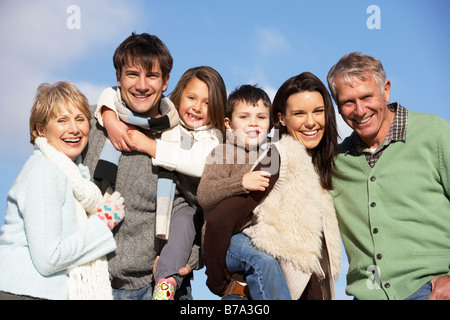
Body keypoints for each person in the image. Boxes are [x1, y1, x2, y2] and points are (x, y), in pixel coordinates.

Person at [199, 76, 342, 300]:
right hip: (249, 287)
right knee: (261, 260)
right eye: (299, 113)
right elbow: (218, 220)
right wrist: (217, 282)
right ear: (282, 119)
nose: (311, 121)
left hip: (277, 282)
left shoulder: (314, 168)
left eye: (318, 111)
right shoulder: (273, 157)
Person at [82, 33, 202, 300]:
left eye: (152, 76)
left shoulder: (183, 140)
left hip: (156, 286)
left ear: (166, 81)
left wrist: (187, 260)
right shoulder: (90, 123)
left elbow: (198, 210)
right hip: (92, 280)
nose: (142, 85)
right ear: (118, 77)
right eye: (132, 74)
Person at [95, 66, 227, 299]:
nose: (197, 107)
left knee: (184, 219)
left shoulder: (211, 137)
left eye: (207, 103)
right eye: (192, 97)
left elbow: (197, 164)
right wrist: (109, 117)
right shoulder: (164, 118)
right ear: (179, 94)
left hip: (190, 216)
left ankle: (166, 282)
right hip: (117, 268)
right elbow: (110, 93)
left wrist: (149, 146)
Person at [328, 52, 450, 300]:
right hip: (366, 295)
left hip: (430, 289)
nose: (360, 110)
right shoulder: (336, 163)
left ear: (386, 90)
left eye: (366, 96)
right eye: (348, 102)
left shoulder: (434, 133)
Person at [0, 81, 124, 300]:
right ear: (40, 129)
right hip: (23, 292)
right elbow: (50, 259)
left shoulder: (71, 173)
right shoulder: (44, 171)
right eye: (62, 120)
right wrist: (103, 222)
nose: (74, 129)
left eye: (80, 119)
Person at [198, 84, 291, 300]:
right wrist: (241, 182)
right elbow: (204, 194)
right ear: (228, 124)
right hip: (229, 239)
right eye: (244, 116)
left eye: (261, 117)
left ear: (270, 123)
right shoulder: (223, 152)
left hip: (258, 236)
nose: (253, 123)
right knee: (262, 262)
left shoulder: (273, 154)